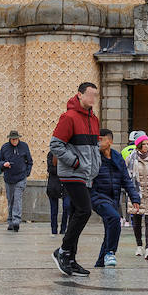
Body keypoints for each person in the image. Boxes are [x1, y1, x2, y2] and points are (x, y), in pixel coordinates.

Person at [50, 81, 100, 277]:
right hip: (73, 173)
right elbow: (55, 145)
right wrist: (76, 163)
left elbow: (94, 149)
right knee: (84, 211)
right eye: (90, 94)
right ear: (79, 95)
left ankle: (71, 258)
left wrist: (94, 168)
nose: (93, 98)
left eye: (95, 95)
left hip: (87, 175)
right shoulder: (68, 117)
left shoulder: (93, 119)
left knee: (77, 214)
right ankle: (62, 251)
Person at [91, 128, 139, 266]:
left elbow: (126, 179)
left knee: (110, 229)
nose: (98, 142)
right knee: (114, 218)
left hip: (114, 198)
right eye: (97, 139)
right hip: (98, 196)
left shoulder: (117, 157)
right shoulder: (94, 156)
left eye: (102, 139)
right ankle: (110, 252)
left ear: (110, 141)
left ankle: (100, 263)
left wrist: (134, 197)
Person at [126, 135, 148, 259]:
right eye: (144, 144)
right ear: (138, 145)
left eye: (147, 144)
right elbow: (127, 176)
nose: (146, 146)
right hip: (136, 193)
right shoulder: (131, 159)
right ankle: (139, 245)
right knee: (137, 220)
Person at [0, 129, 33, 232]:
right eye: (12, 139)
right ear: (9, 139)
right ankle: (10, 222)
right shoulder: (4, 147)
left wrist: (27, 173)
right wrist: (3, 164)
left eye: (16, 139)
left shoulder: (24, 146)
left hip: (21, 178)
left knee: (17, 199)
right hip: (9, 178)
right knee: (11, 200)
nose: (14, 141)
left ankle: (16, 221)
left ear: (18, 138)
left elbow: (30, 161)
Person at [46, 148, 69, 236]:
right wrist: (62, 168)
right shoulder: (51, 154)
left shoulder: (67, 153)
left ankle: (63, 229)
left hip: (66, 185)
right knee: (54, 210)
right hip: (53, 185)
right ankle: (54, 230)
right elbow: (51, 169)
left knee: (67, 206)